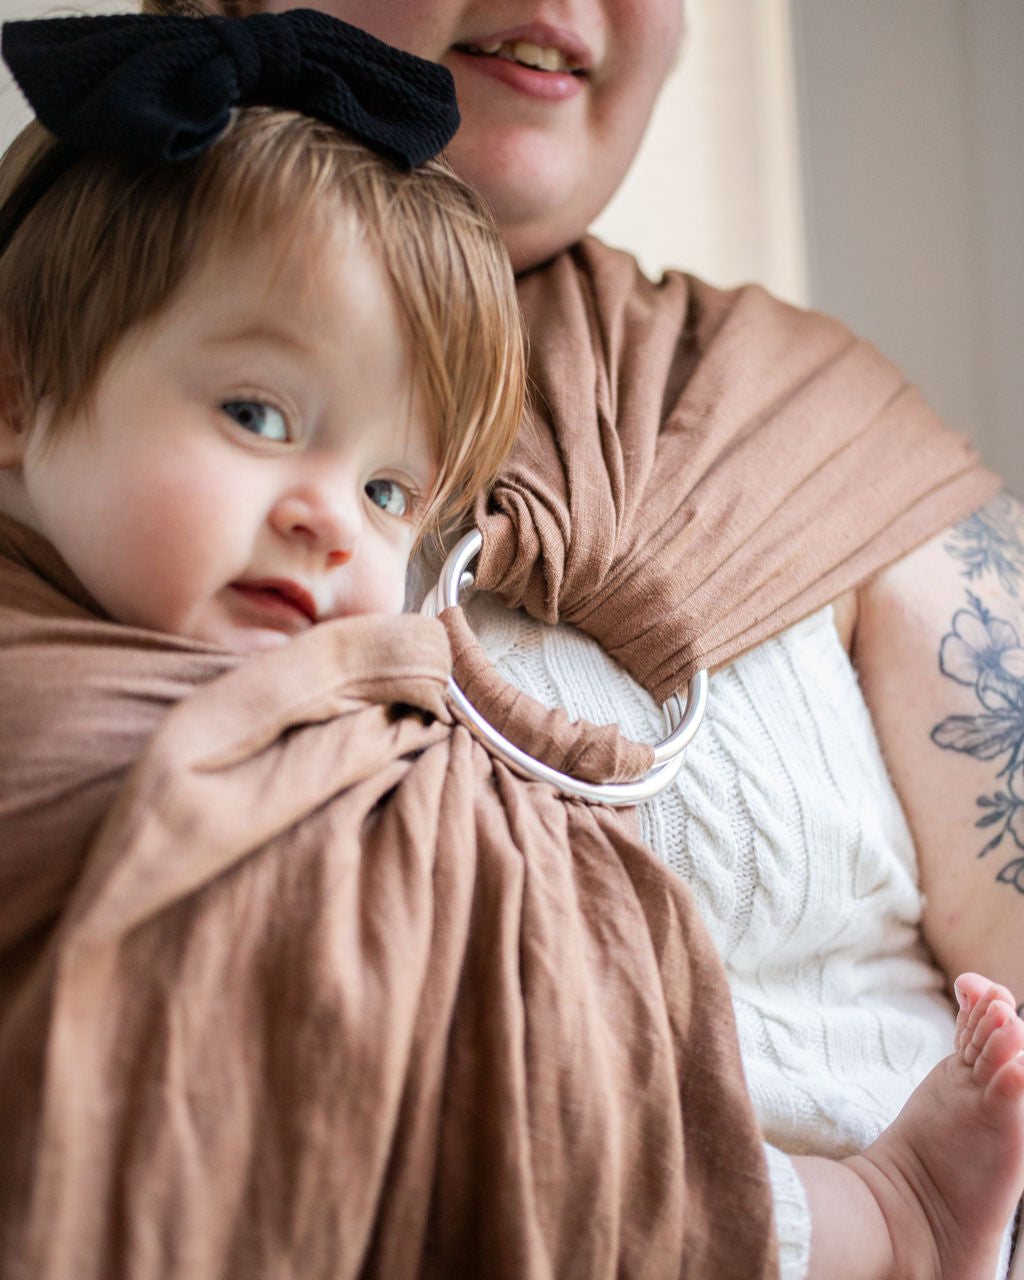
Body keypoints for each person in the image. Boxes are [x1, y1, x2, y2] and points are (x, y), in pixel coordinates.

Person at [1, 9, 1022, 1280]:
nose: (331, 520)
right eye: (256, 413)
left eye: (392, 490)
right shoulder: (83, 432)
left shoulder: (821, 429)